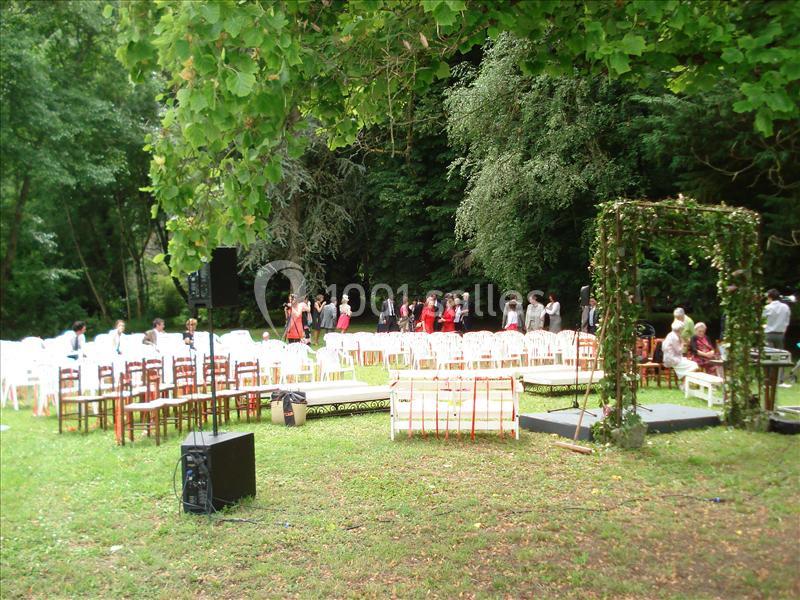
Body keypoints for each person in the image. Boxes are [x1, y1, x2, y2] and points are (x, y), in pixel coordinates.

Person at [763, 288, 792, 386]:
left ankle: (769, 379)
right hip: (780, 334)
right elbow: (787, 321)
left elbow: (762, 319)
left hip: (768, 334)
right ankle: (780, 380)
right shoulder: (785, 307)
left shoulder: (767, 307)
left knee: (768, 357)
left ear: (770, 297)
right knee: (780, 358)